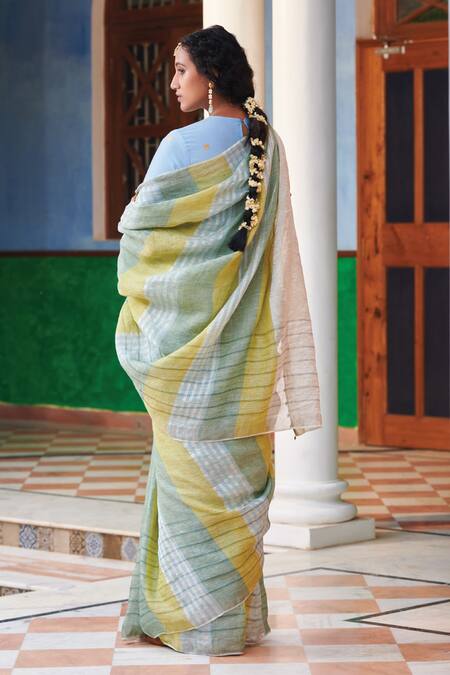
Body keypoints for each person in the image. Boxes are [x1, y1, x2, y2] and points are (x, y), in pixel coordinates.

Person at [115, 25, 322, 657]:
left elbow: (137, 232)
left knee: (186, 486)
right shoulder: (268, 146)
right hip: (242, 357)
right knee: (228, 484)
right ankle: (233, 626)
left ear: (209, 76)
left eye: (180, 70)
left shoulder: (181, 146)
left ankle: (190, 623)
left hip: (185, 358)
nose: (172, 82)